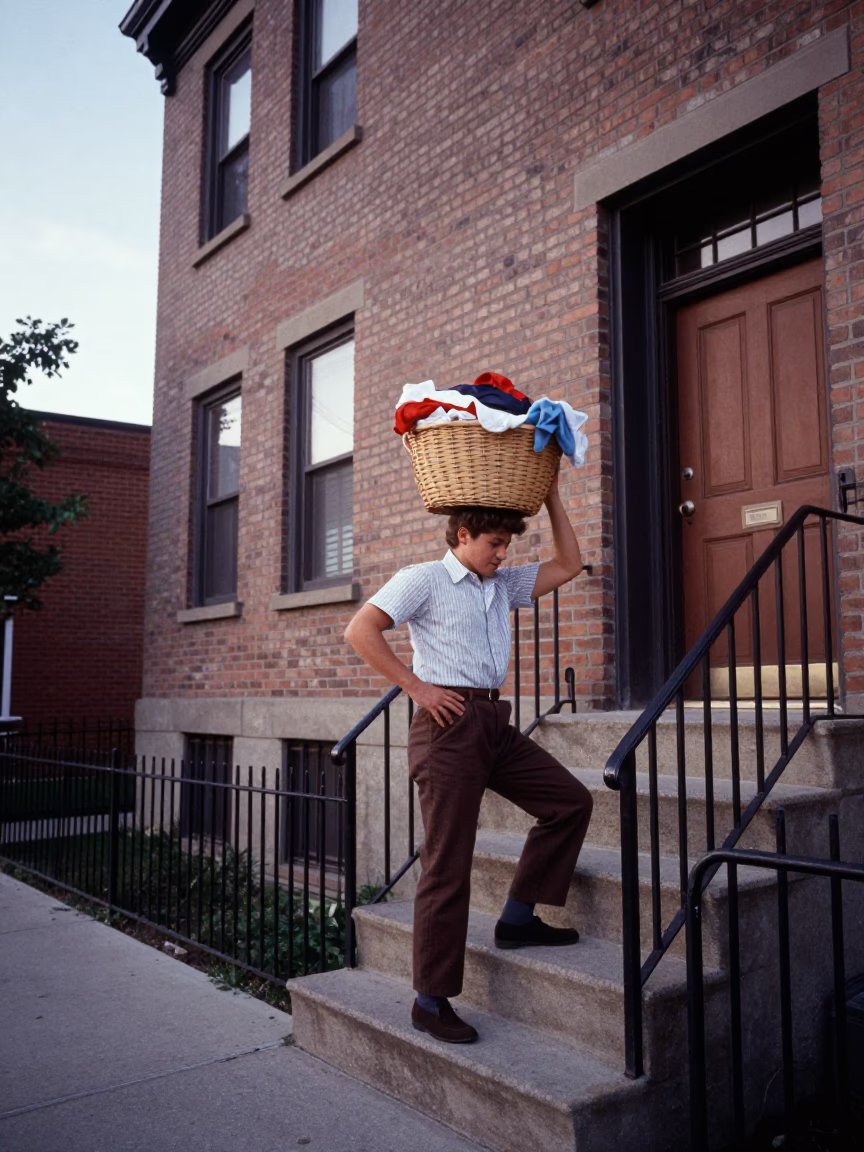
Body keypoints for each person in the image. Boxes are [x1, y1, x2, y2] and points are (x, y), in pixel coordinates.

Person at [343, 471, 593, 1043]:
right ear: (460, 536)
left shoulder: (497, 586)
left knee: (568, 802)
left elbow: (568, 565)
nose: (502, 556)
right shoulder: (424, 579)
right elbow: (361, 629)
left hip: (492, 724)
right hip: (446, 728)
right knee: (447, 865)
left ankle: (519, 918)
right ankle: (430, 1001)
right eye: (493, 545)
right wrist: (417, 688)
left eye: (506, 546)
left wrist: (552, 496)